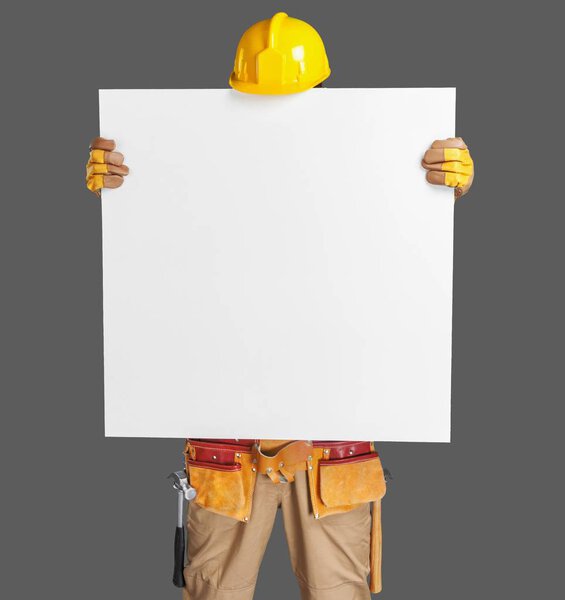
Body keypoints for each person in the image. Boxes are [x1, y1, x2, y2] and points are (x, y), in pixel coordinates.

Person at [86, 12, 474, 600]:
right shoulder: (194, 160)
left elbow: (400, 248)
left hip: (332, 442)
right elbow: (162, 258)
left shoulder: (368, 154)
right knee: (214, 593)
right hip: (225, 444)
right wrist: (126, 186)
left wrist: (440, 182)